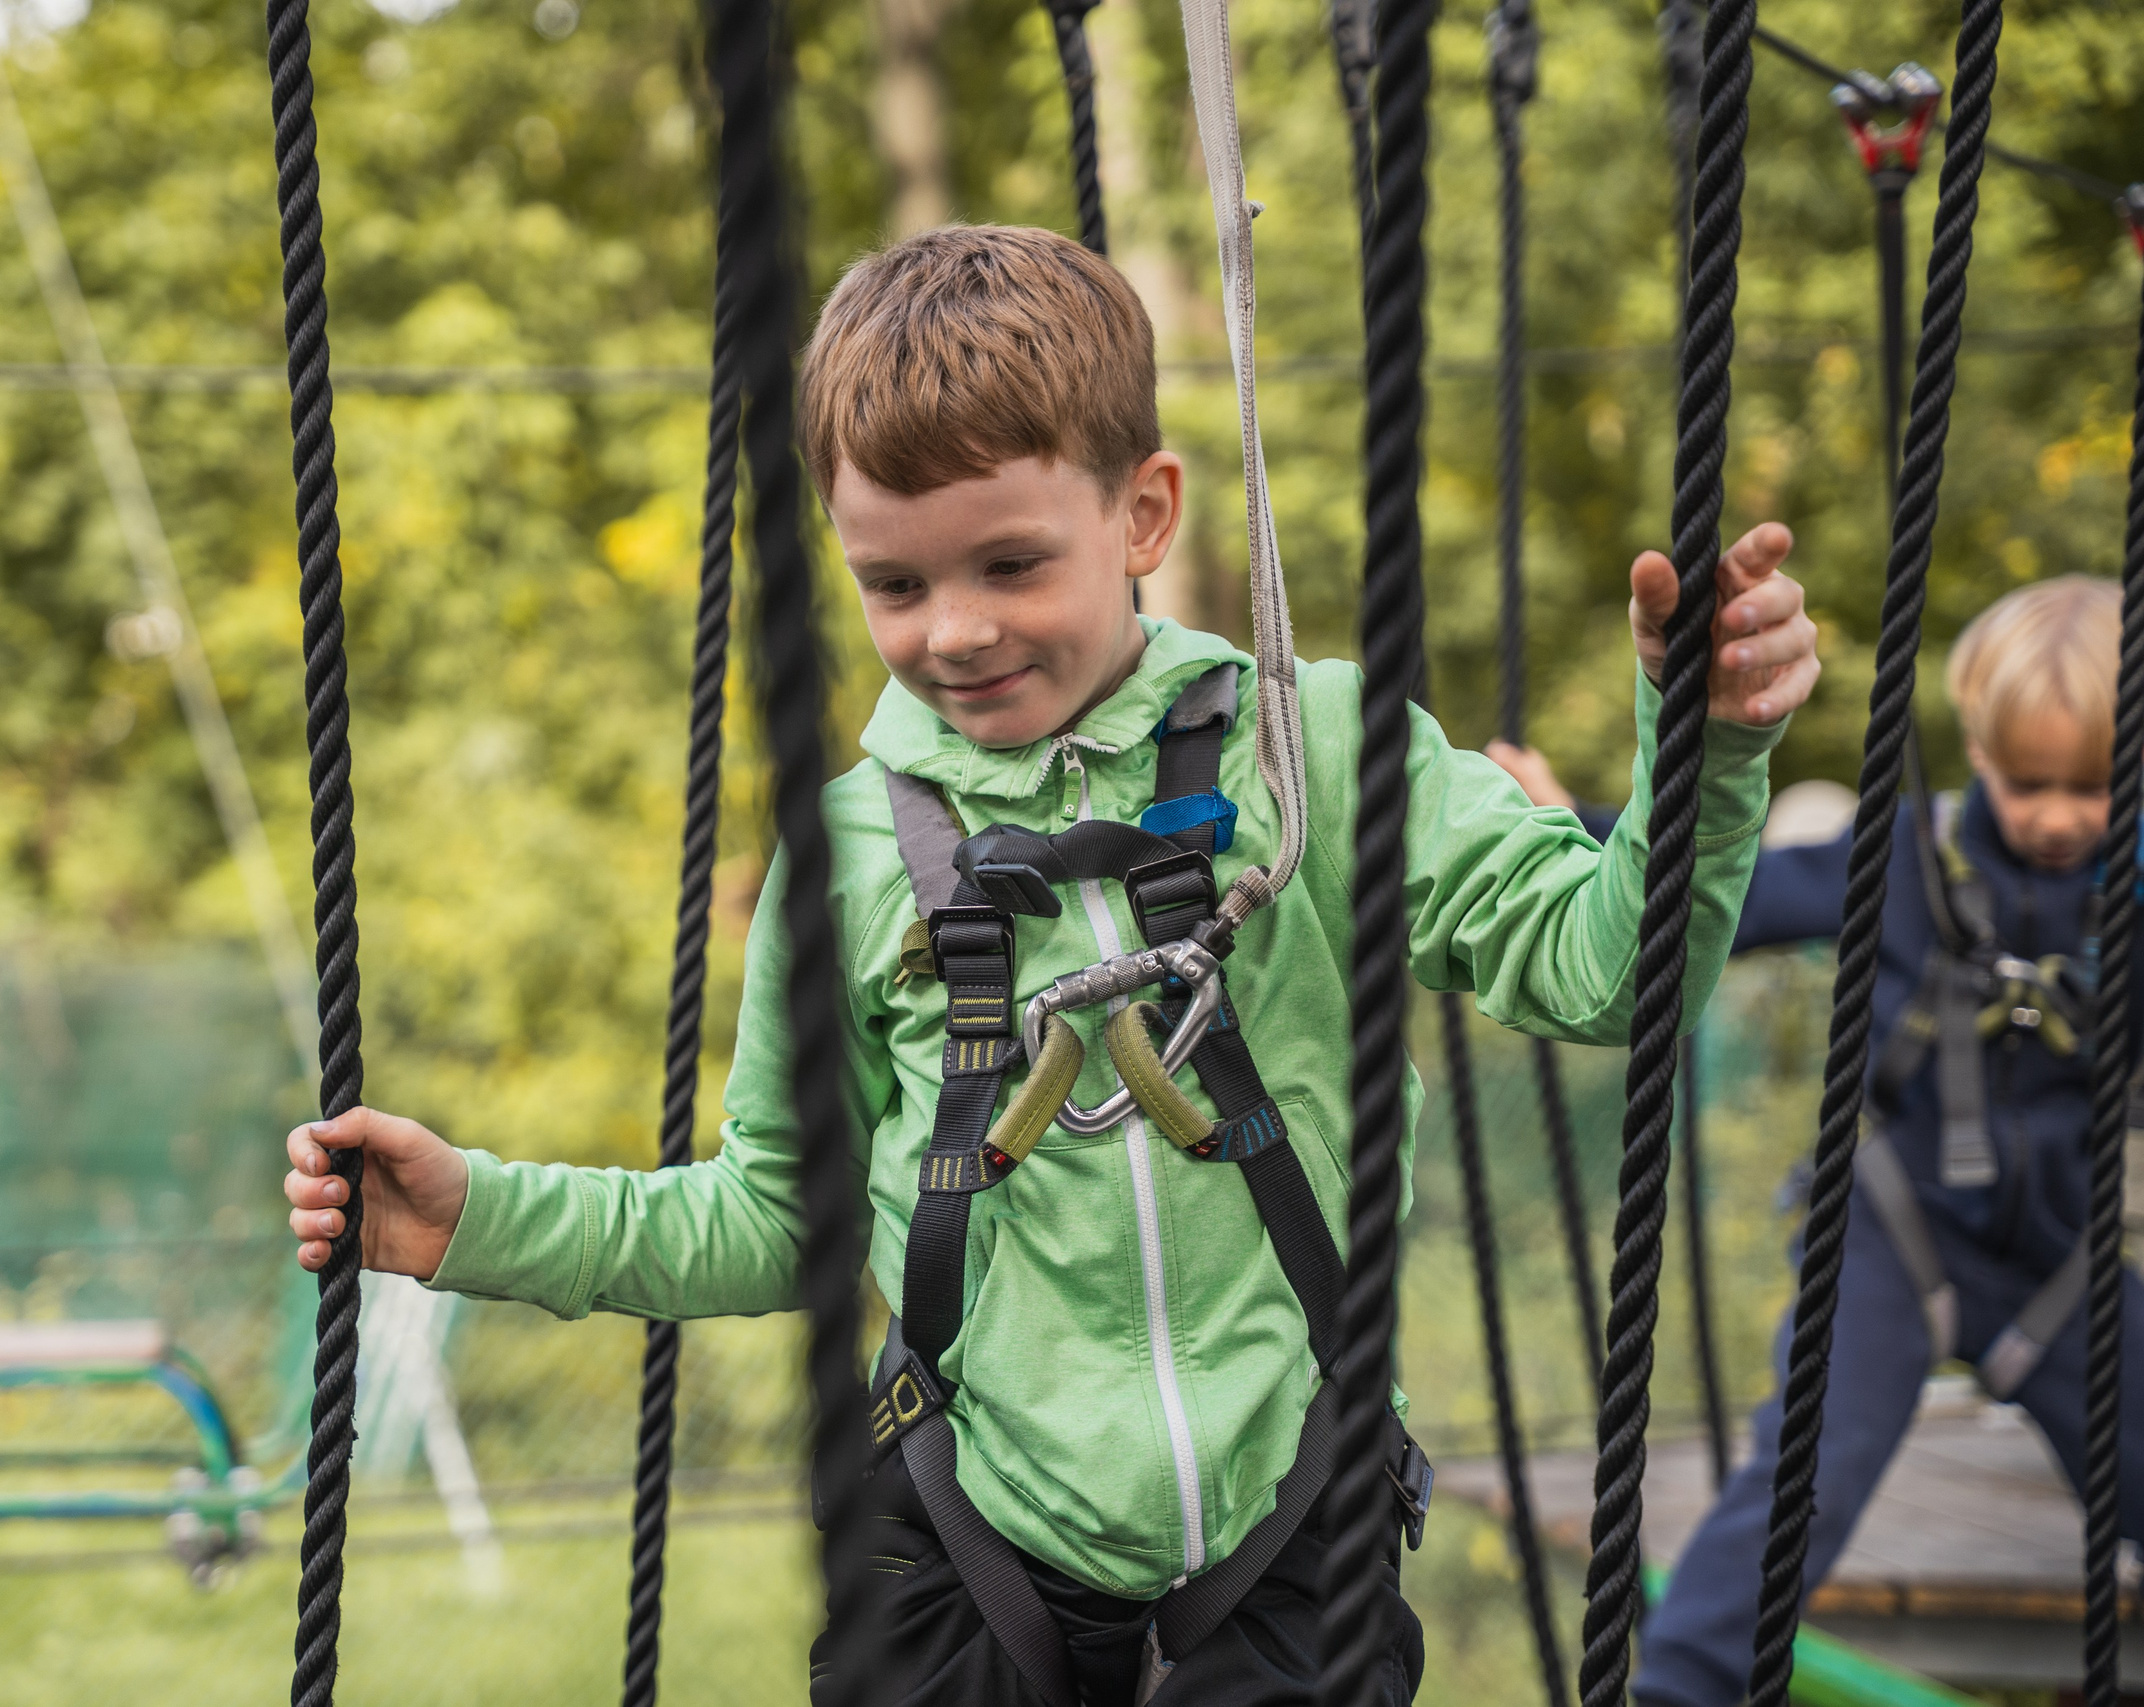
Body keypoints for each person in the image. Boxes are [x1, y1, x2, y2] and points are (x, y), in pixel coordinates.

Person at [282, 225, 1820, 1706]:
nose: (953, 630)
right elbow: (776, 1213)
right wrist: (482, 1213)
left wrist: (1705, 753)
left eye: (1011, 563)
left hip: (1291, 1530)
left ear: (1143, 516)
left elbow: (1602, 977)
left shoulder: (1318, 750)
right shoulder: (853, 856)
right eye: (894, 584)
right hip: (966, 1540)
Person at [1491, 574, 2144, 1707]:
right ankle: (1684, 1694)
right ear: (1977, 754)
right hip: (1893, 1235)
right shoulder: (1903, 859)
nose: (2052, 817)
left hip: (2058, 1257)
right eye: (2025, 782)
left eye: (2090, 789)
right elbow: (1727, 891)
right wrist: (1570, 826)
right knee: (1799, 1488)